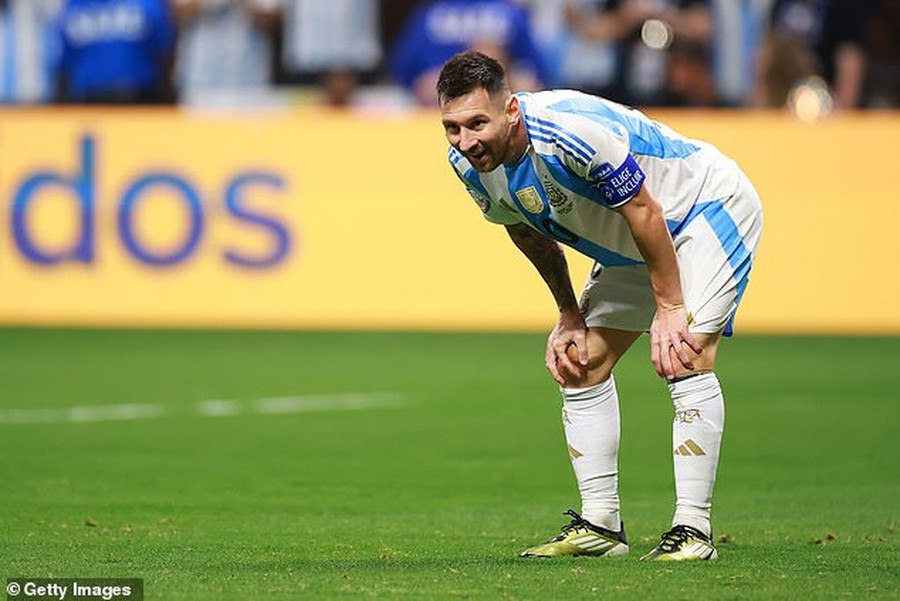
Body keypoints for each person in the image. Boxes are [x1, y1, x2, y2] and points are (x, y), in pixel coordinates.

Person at [437, 51, 762, 561]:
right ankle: (601, 525)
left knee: (683, 353)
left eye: (477, 123)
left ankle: (694, 531)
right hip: (634, 243)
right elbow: (527, 231)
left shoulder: (570, 134)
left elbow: (644, 210)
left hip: (701, 208)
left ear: (511, 111)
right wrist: (569, 315)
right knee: (578, 361)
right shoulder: (468, 165)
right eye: (452, 127)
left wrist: (670, 306)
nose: (466, 141)